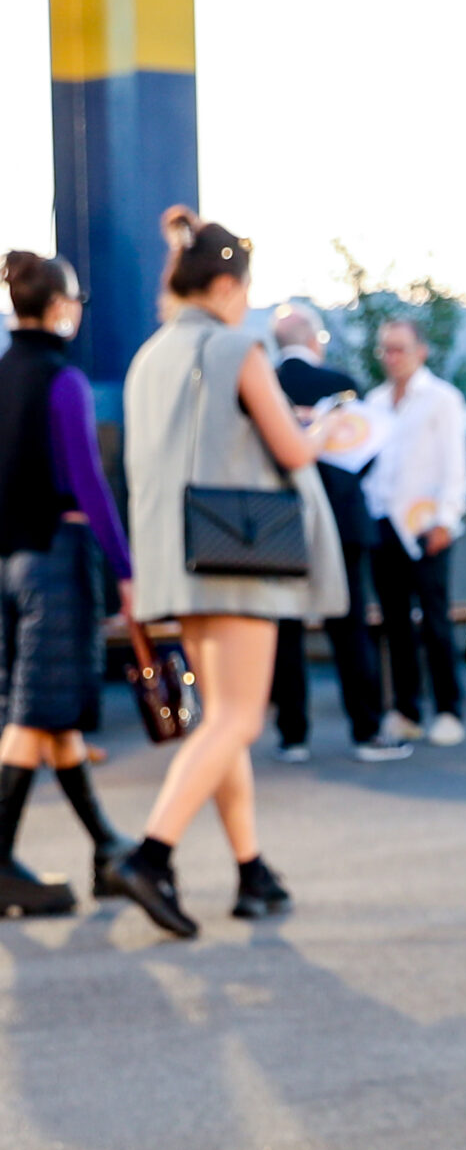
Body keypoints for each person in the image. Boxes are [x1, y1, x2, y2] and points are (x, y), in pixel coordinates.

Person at [112, 209, 347, 939]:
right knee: (239, 719)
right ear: (223, 286)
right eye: (244, 290)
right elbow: (292, 449)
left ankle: (251, 870)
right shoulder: (236, 347)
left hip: (178, 556)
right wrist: (327, 426)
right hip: (240, 554)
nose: (247, 303)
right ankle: (150, 856)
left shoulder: (151, 355)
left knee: (221, 720)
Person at [0, 249, 135, 913]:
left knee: (50, 711)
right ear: (58, 307)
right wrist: (127, 572)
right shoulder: (64, 381)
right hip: (56, 558)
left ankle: (108, 849)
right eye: (75, 300)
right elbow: (90, 484)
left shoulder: (2, 374)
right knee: (34, 716)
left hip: (8, 565)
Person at [271, 305, 410, 763]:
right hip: (342, 520)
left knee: (286, 629)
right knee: (350, 628)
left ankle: (292, 736)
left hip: (283, 522)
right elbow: (368, 453)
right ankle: (365, 731)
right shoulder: (341, 384)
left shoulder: (265, 383)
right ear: (316, 339)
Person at [364, 318, 466, 746]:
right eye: (385, 349)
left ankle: (448, 710)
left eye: (399, 349)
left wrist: (447, 519)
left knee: (435, 621)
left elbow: (455, 465)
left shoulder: (442, 398)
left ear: (420, 351)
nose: (391, 357)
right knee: (394, 624)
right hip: (382, 524)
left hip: (427, 526)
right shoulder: (374, 401)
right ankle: (406, 710)